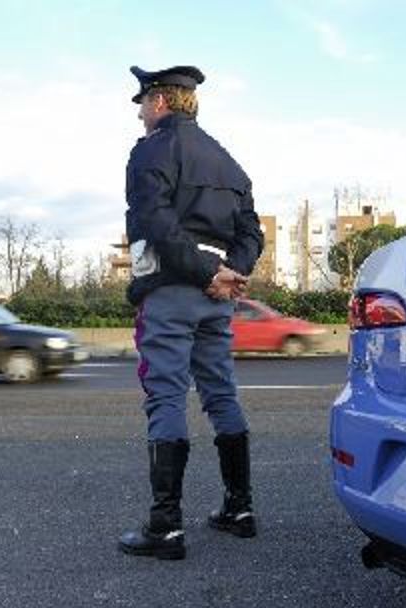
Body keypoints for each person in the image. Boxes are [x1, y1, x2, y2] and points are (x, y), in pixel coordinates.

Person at [118, 65, 264, 560]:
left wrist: (204, 271)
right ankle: (239, 509)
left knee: (165, 396)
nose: (139, 114)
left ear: (160, 102)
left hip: (172, 287)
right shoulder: (228, 161)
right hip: (217, 296)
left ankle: (166, 528)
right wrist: (230, 273)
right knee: (221, 391)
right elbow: (252, 233)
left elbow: (155, 222)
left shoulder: (151, 151)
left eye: (142, 104)